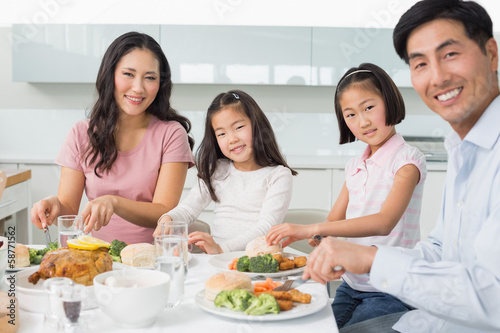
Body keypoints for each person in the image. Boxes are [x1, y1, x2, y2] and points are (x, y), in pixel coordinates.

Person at [303, 0, 500, 332]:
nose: (437, 76)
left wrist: (373, 259)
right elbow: (441, 249)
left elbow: (492, 296)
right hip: (433, 314)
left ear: (491, 53)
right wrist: (356, 254)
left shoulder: (412, 158)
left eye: (450, 54)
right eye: (420, 63)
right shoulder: (464, 149)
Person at [266, 63, 427, 328]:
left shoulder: (407, 160)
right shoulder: (354, 166)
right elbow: (331, 225)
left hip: (392, 288)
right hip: (351, 285)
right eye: (350, 114)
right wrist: (298, 249)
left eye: (369, 107)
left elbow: (384, 221)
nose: (362, 121)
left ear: (389, 100)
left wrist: (310, 228)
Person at [30, 32, 195, 244]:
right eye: (128, 74)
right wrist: (53, 204)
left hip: (154, 258)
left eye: (150, 77)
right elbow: (68, 211)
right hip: (98, 258)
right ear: (111, 75)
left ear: (160, 83)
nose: (138, 87)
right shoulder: (81, 134)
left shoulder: (171, 134)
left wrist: (114, 202)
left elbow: (163, 212)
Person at [153, 90, 297, 254]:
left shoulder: (278, 175)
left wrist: (221, 249)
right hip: (217, 259)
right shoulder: (217, 170)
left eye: (239, 127)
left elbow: (266, 227)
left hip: (255, 258)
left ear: (257, 125)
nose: (232, 138)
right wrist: (168, 219)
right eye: (221, 133)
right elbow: (188, 209)